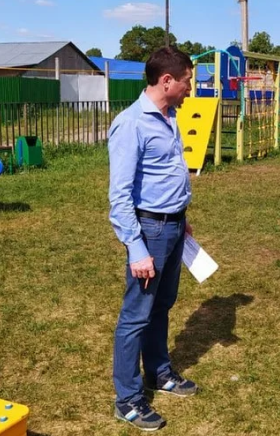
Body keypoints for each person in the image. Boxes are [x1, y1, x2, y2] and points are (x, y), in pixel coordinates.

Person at [108, 46, 197, 430]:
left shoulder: (170, 115)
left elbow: (165, 174)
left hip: (174, 226)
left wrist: (181, 218)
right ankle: (127, 399)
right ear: (167, 81)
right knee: (135, 316)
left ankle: (159, 373)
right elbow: (120, 195)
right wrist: (137, 248)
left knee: (162, 305)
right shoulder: (132, 124)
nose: (190, 89)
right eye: (187, 81)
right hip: (150, 231)